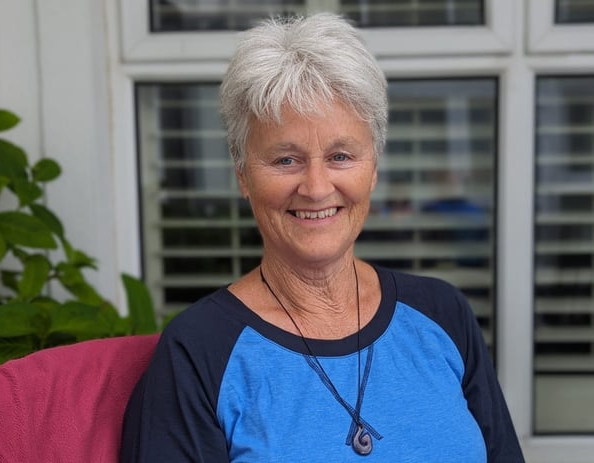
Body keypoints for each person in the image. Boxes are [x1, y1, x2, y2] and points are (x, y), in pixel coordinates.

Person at [120, 13, 524, 462]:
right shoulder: (197, 351)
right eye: (285, 160)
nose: (315, 187)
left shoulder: (442, 315)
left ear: (373, 168)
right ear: (242, 176)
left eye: (340, 155)